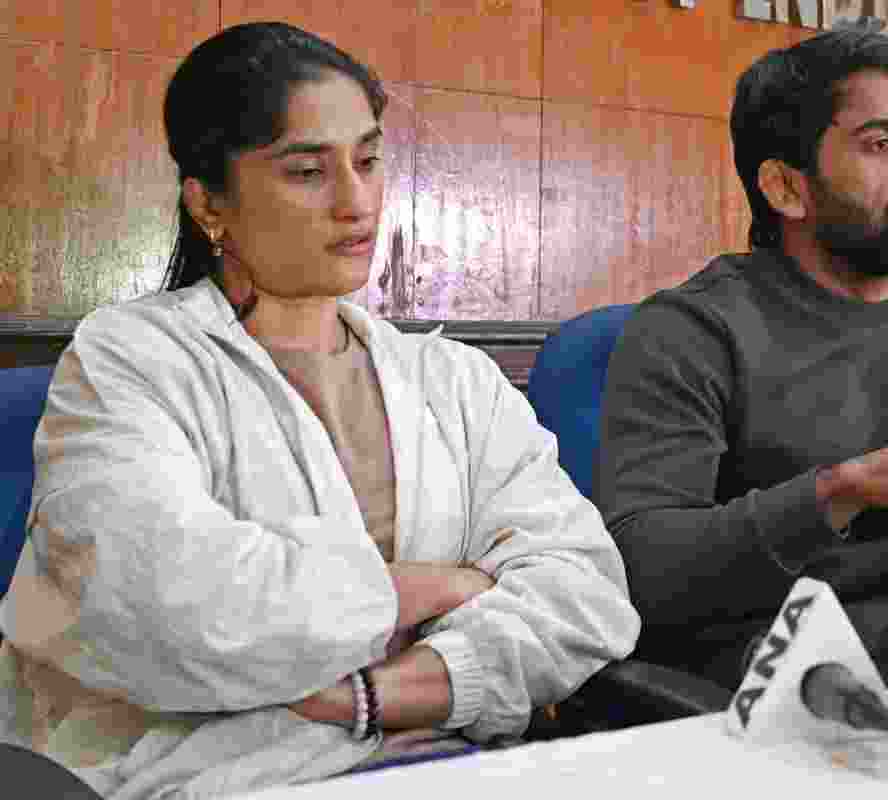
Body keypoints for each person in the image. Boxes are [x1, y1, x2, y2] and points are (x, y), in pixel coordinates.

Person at [0, 22, 638, 798]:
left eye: (368, 160)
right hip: (205, 777)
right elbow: (171, 606)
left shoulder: (452, 380)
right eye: (307, 171)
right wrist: (437, 586)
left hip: (442, 759)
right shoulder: (131, 359)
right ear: (209, 202)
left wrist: (373, 695)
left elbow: (585, 594)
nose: (355, 201)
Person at [595, 30, 888, 691]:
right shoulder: (693, 330)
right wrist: (841, 492)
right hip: (769, 674)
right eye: (881, 143)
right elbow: (640, 569)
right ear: (788, 188)